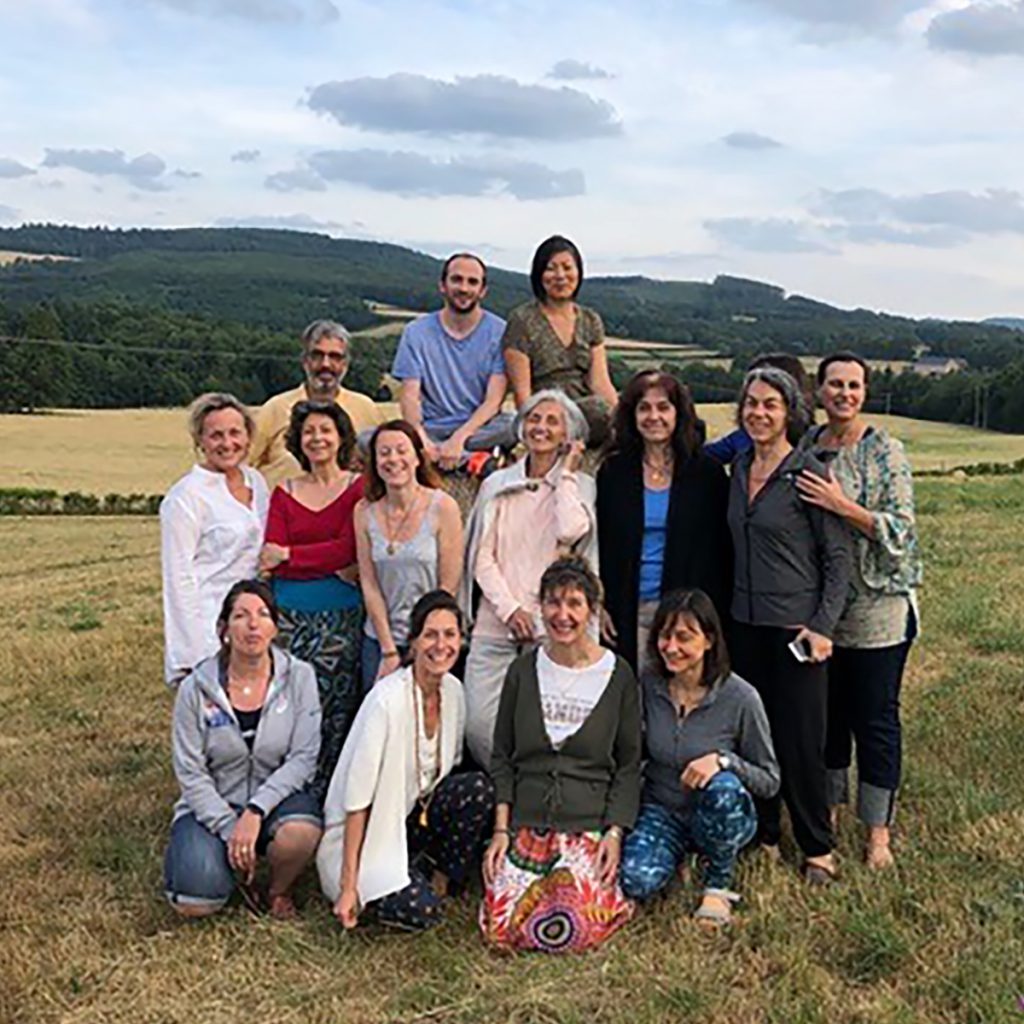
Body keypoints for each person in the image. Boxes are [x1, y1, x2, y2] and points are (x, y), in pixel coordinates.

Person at [796, 352, 922, 869]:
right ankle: (826, 816)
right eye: (834, 385)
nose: (843, 394)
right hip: (823, 607)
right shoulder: (807, 446)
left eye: (853, 385)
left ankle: (877, 835)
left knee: (874, 720)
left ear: (864, 393)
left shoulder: (885, 451)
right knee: (828, 720)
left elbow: (903, 532)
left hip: (877, 606)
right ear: (819, 391)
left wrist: (842, 506)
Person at [726, 367, 851, 884]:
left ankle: (817, 846)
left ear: (789, 412)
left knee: (800, 739)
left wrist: (822, 626)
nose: (758, 413)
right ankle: (766, 833)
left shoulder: (810, 473)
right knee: (754, 737)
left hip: (796, 629)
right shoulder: (735, 468)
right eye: (751, 403)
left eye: (770, 405)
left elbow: (837, 559)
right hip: (743, 625)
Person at [480, 556, 641, 953]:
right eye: (553, 603)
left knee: (575, 930)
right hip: (528, 825)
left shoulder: (618, 675)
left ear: (591, 611)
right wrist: (501, 830)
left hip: (586, 826)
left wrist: (614, 833)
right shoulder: (523, 671)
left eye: (574, 603)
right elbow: (503, 755)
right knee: (502, 931)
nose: (562, 614)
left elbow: (628, 766)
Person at [318, 591, 495, 930]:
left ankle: (439, 878)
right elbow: (357, 803)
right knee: (422, 912)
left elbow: (445, 773)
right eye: (430, 635)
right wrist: (348, 887)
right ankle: (386, 886)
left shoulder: (454, 692)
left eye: (449, 635)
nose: (440, 645)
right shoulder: (386, 701)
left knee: (477, 788)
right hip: (369, 832)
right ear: (412, 642)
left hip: (413, 818)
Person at [619, 589, 779, 928]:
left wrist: (723, 760)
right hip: (663, 809)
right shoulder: (648, 684)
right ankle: (684, 858)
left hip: (720, 811)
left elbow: (769, 780)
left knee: (723, 789)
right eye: (664, 635)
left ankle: (718, 883)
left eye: (684, 637)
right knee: (636, 881)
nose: (671, 647)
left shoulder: (740, 697)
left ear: (708, 641)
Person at [164, 580, 322, 920]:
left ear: (275, 627)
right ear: (223, 628)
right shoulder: (195, 688)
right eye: (241, 615)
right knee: (193, 903)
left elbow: (304, 758)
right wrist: (228, 827)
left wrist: (254, 811)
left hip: (274, 801)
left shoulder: (301, 678)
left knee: (301, 834)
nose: (253, 624)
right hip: (213, 804)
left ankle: (278, 889)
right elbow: (190, 772)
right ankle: (229, 865)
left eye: (263, 615)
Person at [461, 390, 597, 767]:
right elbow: (481, 557)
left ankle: (535, 806)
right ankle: (505, 791)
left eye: (553, 421)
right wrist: (511, 610)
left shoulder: (579, 486)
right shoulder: (497, 485)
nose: (541, 427)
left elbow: (570, 530)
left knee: (547, 726)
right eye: (535, 419)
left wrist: (566, 472)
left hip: (553, 626)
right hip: (496, 622)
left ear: (567, 434)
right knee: (480, 724)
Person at [260, 401, 365, 802]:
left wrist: (291, 555)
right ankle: (285, 791)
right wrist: (302, 559)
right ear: (297, 441)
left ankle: (328, 794)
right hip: (287, 617)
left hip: (340, 616)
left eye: (325, 430)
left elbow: (347, 548)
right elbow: (272, 555)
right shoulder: (284, 493)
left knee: (335, 707)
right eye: (308, 432)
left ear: (341, 437)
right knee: (288, 705)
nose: (317, 438)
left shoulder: (358, 488)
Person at [597, 370, 732, 673]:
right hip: (625, 609)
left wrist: (707, 618)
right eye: (643, 408)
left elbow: (720, 553)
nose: (653, 416)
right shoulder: (613, 472)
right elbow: (601, 543)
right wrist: (600, 603)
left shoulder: (707, 475)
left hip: (686, 615)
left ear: (679, 414)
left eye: (663, 407)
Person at [160, 392, 270, 687]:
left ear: (248, 437)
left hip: (252, 623)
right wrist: (192, 655)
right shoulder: (186, 497)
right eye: (216, 435)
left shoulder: (256, 483)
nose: (227, 443)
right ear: (201, 441)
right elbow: (178, 578)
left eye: (235, 433)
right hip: (208, 627)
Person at [355, 420, 464, 688]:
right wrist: (389, 649)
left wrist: (422, 641)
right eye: (384, 453)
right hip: (381, 638)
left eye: (401, 450)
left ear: (417, 457)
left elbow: (448, 586)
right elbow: (369, 583)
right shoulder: (364, 512)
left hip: (432, 639)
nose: (393, 459)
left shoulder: (443, 507)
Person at [392, 252, 516, 470]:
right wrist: (422, 440)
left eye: (472, 282)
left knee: (514, 425)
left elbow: (493, 401)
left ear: (483, 290)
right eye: (457, 280)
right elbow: (410, 397)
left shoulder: (501, 332)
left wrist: (458, 439)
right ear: (443, 285)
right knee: (370, 439)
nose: (464, 289)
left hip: (478, 428)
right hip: (431, 428)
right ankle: (474, 461)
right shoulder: (416, 332)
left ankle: (444, 457)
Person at [502, 235, 617, 446]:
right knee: (597, 410)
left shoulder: (590, 320)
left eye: (567, 267)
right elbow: (522, 391)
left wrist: (623, 417)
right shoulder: (522, 320)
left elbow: (599, 382)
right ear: (539, 275)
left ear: (578, 272)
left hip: (586, 410)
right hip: (546, 409)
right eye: (551, 268)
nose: (560, 275)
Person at [250, 319, 384, 488]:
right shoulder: (275, 408)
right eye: (317, 355)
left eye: (335, 357)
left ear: (345, 364)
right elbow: (243, 463)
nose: (325, 364)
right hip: (282, 509)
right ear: (305, 361)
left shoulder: (366, 409)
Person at [704, 352, 814, 465]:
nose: (759, 412)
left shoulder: (815, 447)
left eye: (770, 404)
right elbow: (703, 456)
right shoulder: (744, 440)